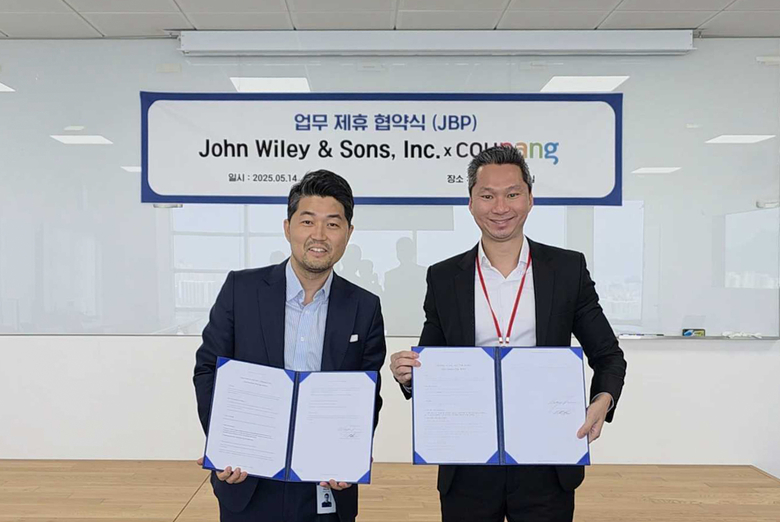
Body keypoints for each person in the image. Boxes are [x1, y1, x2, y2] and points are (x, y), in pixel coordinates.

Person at [389, 145, 627, 522]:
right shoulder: (445, 277)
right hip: (468, 460)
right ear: (471, 202)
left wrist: (603, 400)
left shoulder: (566, 270)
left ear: (530, 198)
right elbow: (432, 362)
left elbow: (608, 356)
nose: (500, 207)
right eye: (487, 196)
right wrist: (409, 374)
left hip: (546, 457)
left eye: (512, 194)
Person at [194, 170, 387, 522]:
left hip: (324, 481)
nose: (319, 235)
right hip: (248, 476)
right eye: (307, 221)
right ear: (288, 228)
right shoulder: (241, 290)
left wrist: (353, 450)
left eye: (333, 224)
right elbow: (208, 369)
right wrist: (223, 443)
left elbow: (366, 391)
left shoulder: (365, 306)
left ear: (348, 233)